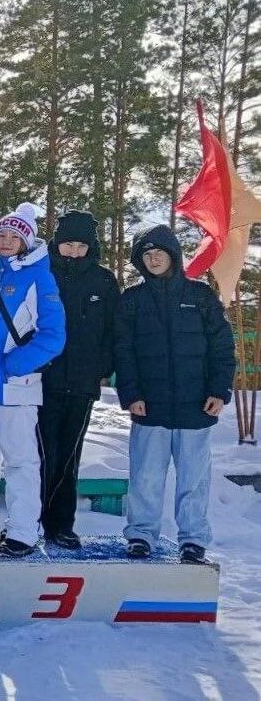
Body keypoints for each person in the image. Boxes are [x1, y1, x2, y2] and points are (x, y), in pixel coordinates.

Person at [115, 225, 235, 564]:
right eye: (147, 254)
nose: (154, 259)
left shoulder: (200, 296)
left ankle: (193, 539)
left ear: (173, 256)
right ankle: (141, 535)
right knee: (145, 477)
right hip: (149, 406)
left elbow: (222, 347)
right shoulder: (132, 300)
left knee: (194, 479)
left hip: (196, 406)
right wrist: (131, 394)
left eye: (160, 253)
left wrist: (219, 390)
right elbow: (123, 351)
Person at [0, 203, 66, 557]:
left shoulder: (39, 278)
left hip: (14, 388)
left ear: (26, 242)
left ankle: (22, 530)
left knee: (20, 461)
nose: (6, 241)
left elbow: (53, 336)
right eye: (1, 234)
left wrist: (14, 365)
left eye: (14, 237)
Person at [37, 211, 120, 548]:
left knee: (69, 456)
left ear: (91, 247)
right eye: (68, 244)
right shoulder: (41, 273)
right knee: (41, 454)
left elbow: (113, 331)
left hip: (82, 384)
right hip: (42, 380)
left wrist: (101, 368)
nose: (73, 251)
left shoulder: (104, 281)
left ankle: (61, 524)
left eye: (81, 246)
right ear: (57, 243)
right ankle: (28, 521)